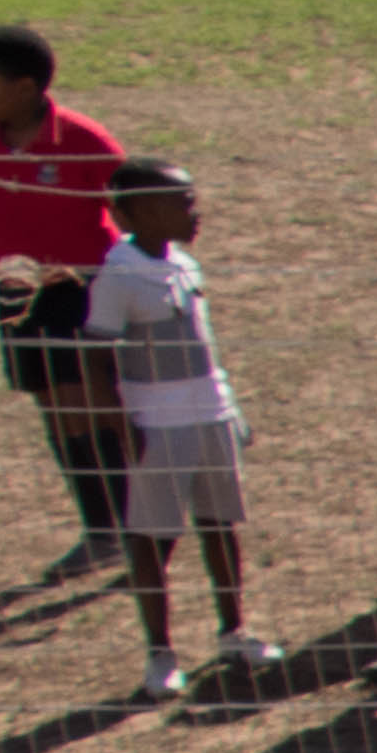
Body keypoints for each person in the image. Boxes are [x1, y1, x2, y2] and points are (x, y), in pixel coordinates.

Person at [74, 159, 264, 695]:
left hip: (210, 415)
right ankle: (159, 652)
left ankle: (233, 630)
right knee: (153, 537)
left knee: (219, 524)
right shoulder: (119, 275)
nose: (193, 211)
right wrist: (120, 424)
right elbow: (96, 357)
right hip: (157, 424)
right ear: (134, 212)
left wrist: (233, 410)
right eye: (180, 201)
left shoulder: (184, 262)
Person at [0, 22, 132, 558]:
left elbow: (133, 212)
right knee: (53, 406)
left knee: (90, 403)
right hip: (18, 291)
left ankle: (127, 524)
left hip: (83, 286)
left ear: (24, 88)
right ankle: (99, 527)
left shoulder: (84, 141)